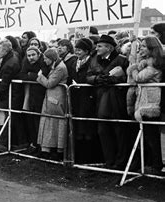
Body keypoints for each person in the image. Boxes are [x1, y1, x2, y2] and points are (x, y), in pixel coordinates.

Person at [86, 34, 129, 169]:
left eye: (99, 46)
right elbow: (88, 76)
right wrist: (97, 79)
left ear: (109, 48)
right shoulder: (94, 60)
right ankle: (109, 160)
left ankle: (121, 162)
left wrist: (115, 80)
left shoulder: (122, 60)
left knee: (119, 132)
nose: (97, 48)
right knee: (103, 131)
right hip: (100, 99)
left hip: (117, 101)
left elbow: (128, 77)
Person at [127, 36, 164, 174]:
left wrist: (133, 67)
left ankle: (156, 165)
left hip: (151, 102)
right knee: (148, 134)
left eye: (143, 46)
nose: (141, 49)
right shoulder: (146, 63)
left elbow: (139, 78)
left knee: (151, 136)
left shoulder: (155, 64)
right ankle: (151, 163)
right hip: (144, 99)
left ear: (151, 48)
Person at [70, 38, 99, 163]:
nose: (77, 52)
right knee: (77, 126)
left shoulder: (92, 62)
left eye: (80, 50)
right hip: (76, 97)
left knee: (87, 127)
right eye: (76, 49)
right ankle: (78, 156)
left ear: (87, 51)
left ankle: (88, 157)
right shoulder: (74, 63)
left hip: (88, 98)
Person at [36, 48, 68, 161]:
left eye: (45, 58)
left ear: (51, 58)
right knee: (51, 122)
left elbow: (50, 83)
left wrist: (40, 76)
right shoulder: (58, 66)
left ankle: (54, 150)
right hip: (53, 97)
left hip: (56, 98)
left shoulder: (60, 68)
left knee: (54, 122)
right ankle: (51, 149)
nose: (44, 61)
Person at [0, 40, 21, 149]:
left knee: (9, 119)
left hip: (11, 95)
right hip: (11, 94)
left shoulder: (9, 63)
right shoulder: (10, 59)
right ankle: (17, 143)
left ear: (5, 50)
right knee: (11, 119)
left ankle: (4, 143)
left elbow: (5, 83)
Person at [18, 46, 46, 151]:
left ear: (39, 55)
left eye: (33, 55)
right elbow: (21, 75)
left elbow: (44, 75)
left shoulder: (43, 62)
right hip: (31, 96)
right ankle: (34, 143)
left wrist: (31, 75)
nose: (31, 58)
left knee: (40, 121)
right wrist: (34, 76)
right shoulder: (26, 62)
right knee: (31, 121)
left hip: (42, 95)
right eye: (29, 55)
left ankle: (41, 145)